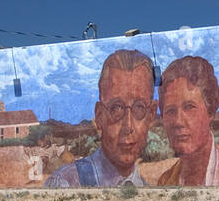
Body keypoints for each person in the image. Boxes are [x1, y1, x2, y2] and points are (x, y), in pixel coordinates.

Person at [44, 48, 154, 187]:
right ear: (99, 116)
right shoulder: (66, 183)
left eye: (139, 107)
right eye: (116, 107)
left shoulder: (147, 189)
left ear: (150, 115)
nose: (128, 126)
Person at [156, 55, 219, 186]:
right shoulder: (166, 181)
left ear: (210, 111)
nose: (178, 122)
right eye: (170, 111)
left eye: (189, 107)